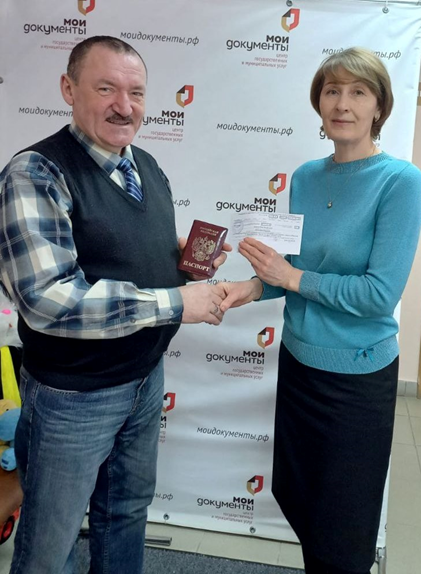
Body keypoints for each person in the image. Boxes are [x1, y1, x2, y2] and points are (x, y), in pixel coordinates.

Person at [0, 36, 229, 574]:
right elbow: (49, 300)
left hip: (144, 379)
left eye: (136, 93)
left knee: (124, 515)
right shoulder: (35, 173)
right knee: (48, 544)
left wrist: (183, 264)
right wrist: (178, 300)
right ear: (69, 89)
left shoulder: (144, 164)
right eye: (106, 89)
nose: (124, 106)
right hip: (72, 398)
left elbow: (126, 256)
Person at [219, 47, 421, 574]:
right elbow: (296, 271)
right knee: (301, 500)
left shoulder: (401, 182)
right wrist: (251, 288)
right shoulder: (306, 176)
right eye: (332, 91)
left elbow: (378, 294)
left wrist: (289, 278)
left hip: (356, 381)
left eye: (358, 92)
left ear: (380, 107)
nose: (342, 104)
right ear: (319, 102)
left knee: (344, 532)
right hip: (299, 366)